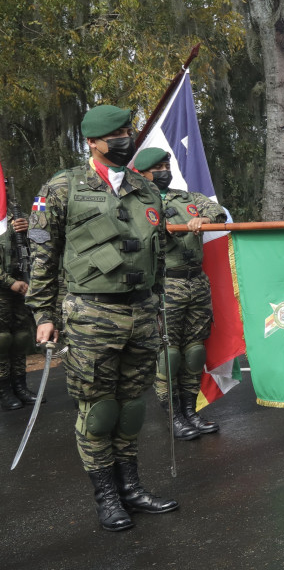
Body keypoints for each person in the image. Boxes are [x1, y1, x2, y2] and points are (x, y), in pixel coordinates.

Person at [27, 105, 178, 532]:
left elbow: (157, 255)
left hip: (141, 313)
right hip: (91, 315)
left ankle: (131, 488)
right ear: (92, 142)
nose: (125, 139)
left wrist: (159, 305)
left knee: (131, 408)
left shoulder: (144, 189)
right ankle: (107, 497)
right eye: (115, 135)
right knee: (98, 410)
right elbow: (43, 254)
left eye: (128, 131)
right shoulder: (64, 187)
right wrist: (44, 313)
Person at [133, 147, 226, 440]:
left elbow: (217, 212)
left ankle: (191, 411)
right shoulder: (137, 202)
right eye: (157, 168)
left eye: (166, 166)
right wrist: (160, 229)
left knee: (194, 351)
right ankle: (174, 417)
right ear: (142, 174)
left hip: (196, 282)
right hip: (165, 284)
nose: (164, 172)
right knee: (169, 354)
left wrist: (204, 219)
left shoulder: (188, 198)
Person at [0, 209, 38, 410]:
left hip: (21, 285)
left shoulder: (16, 214)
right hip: (3, 290)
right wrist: (9, 282)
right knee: (2, 340)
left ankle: (20, 387)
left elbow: (41, 239)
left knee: (21, 337)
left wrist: (28, 228)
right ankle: (4, 391)